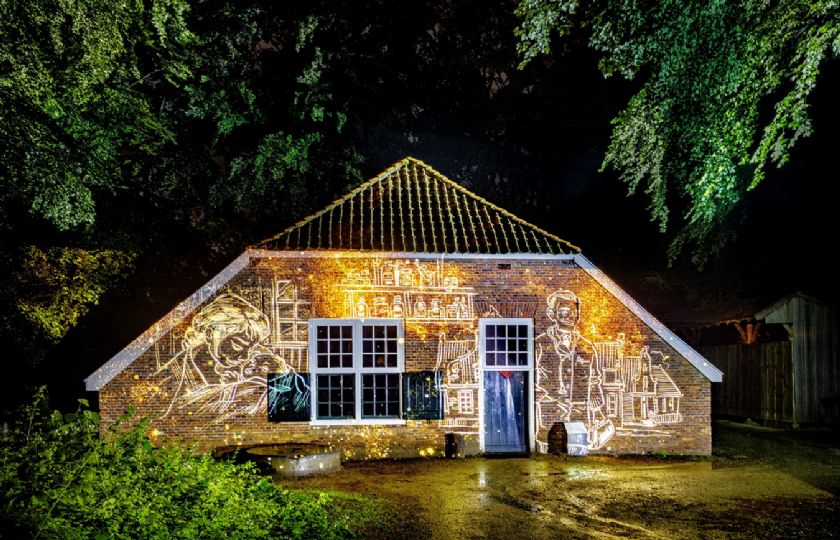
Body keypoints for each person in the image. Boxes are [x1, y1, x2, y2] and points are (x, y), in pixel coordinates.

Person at [156, 293, 299, 419]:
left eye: (251, 348)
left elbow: (298, 404)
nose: (245, 356)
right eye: (238, 345)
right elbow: (160, 416)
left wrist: (282, 372)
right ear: (211, 334)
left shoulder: (256, 359)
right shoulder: (173, 373)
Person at [535, 289, 614, 450]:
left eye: (575, 312)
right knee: (549, 455)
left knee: (578, 456)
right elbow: (529, 373)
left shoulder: (586, 346)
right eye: (565, 312)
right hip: (551, 412)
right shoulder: (540, 344)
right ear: (552, 314)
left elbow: (595, 379)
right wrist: (538, 393)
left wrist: (597, 409)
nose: (571, 316)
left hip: (579, 413)